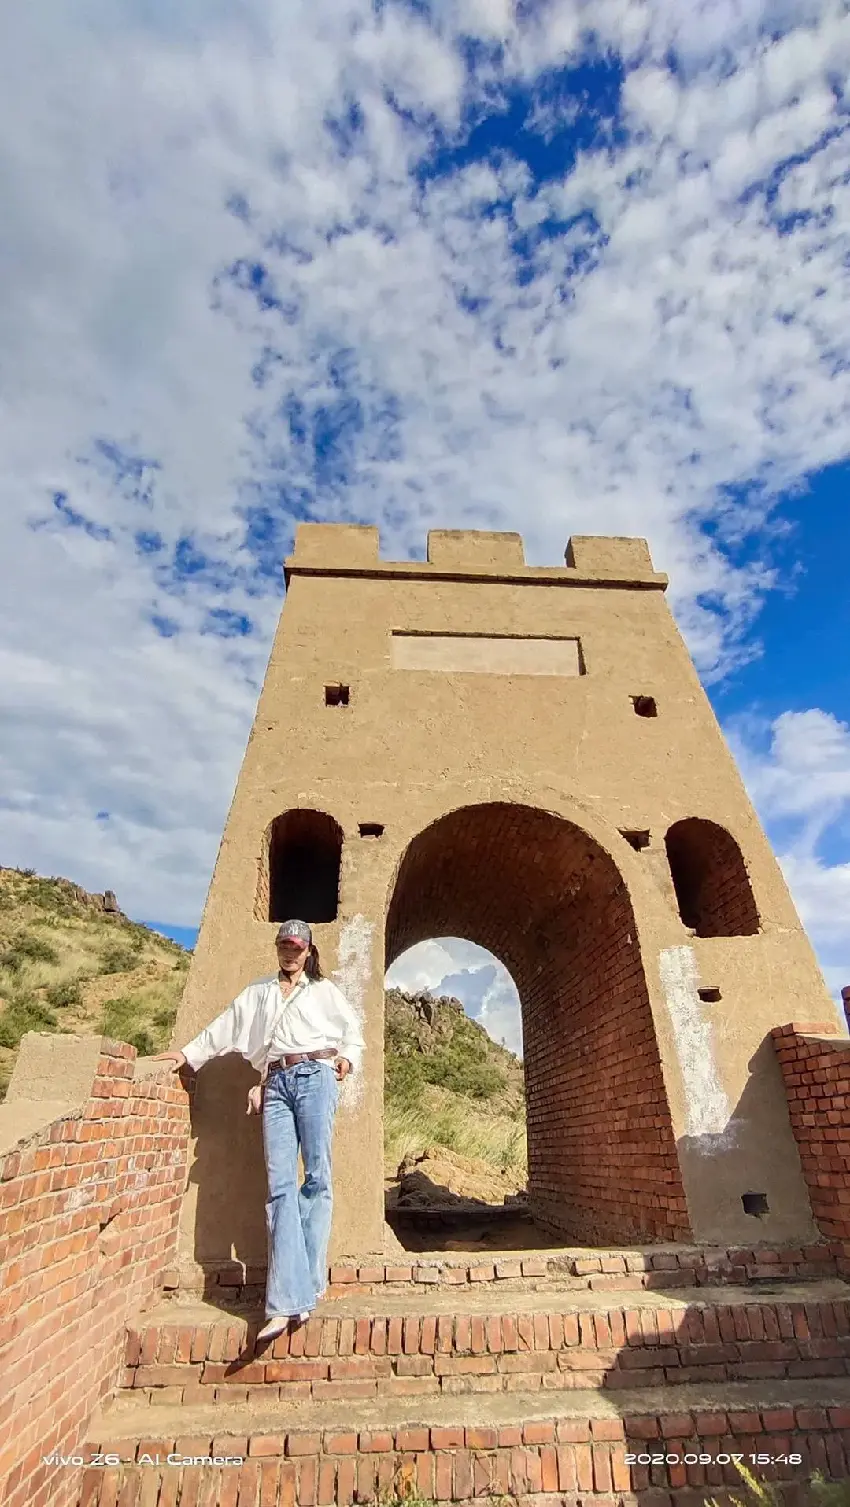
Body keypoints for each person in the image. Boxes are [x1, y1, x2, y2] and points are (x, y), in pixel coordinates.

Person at [151, 919, 365, 1342]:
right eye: (285, 945)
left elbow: (352, 1032)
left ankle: (306, 1287)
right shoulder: (259, 993)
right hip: (275, 1083)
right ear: (278, 948)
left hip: (316, 1075)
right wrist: (186, 1054)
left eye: (298, 946)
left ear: (308, 951)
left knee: (317, 1179)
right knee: (280, 1187)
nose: (291, 952)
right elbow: (224, 1027)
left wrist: (347, 1059)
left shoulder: (324, 991)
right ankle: (288, 1301)